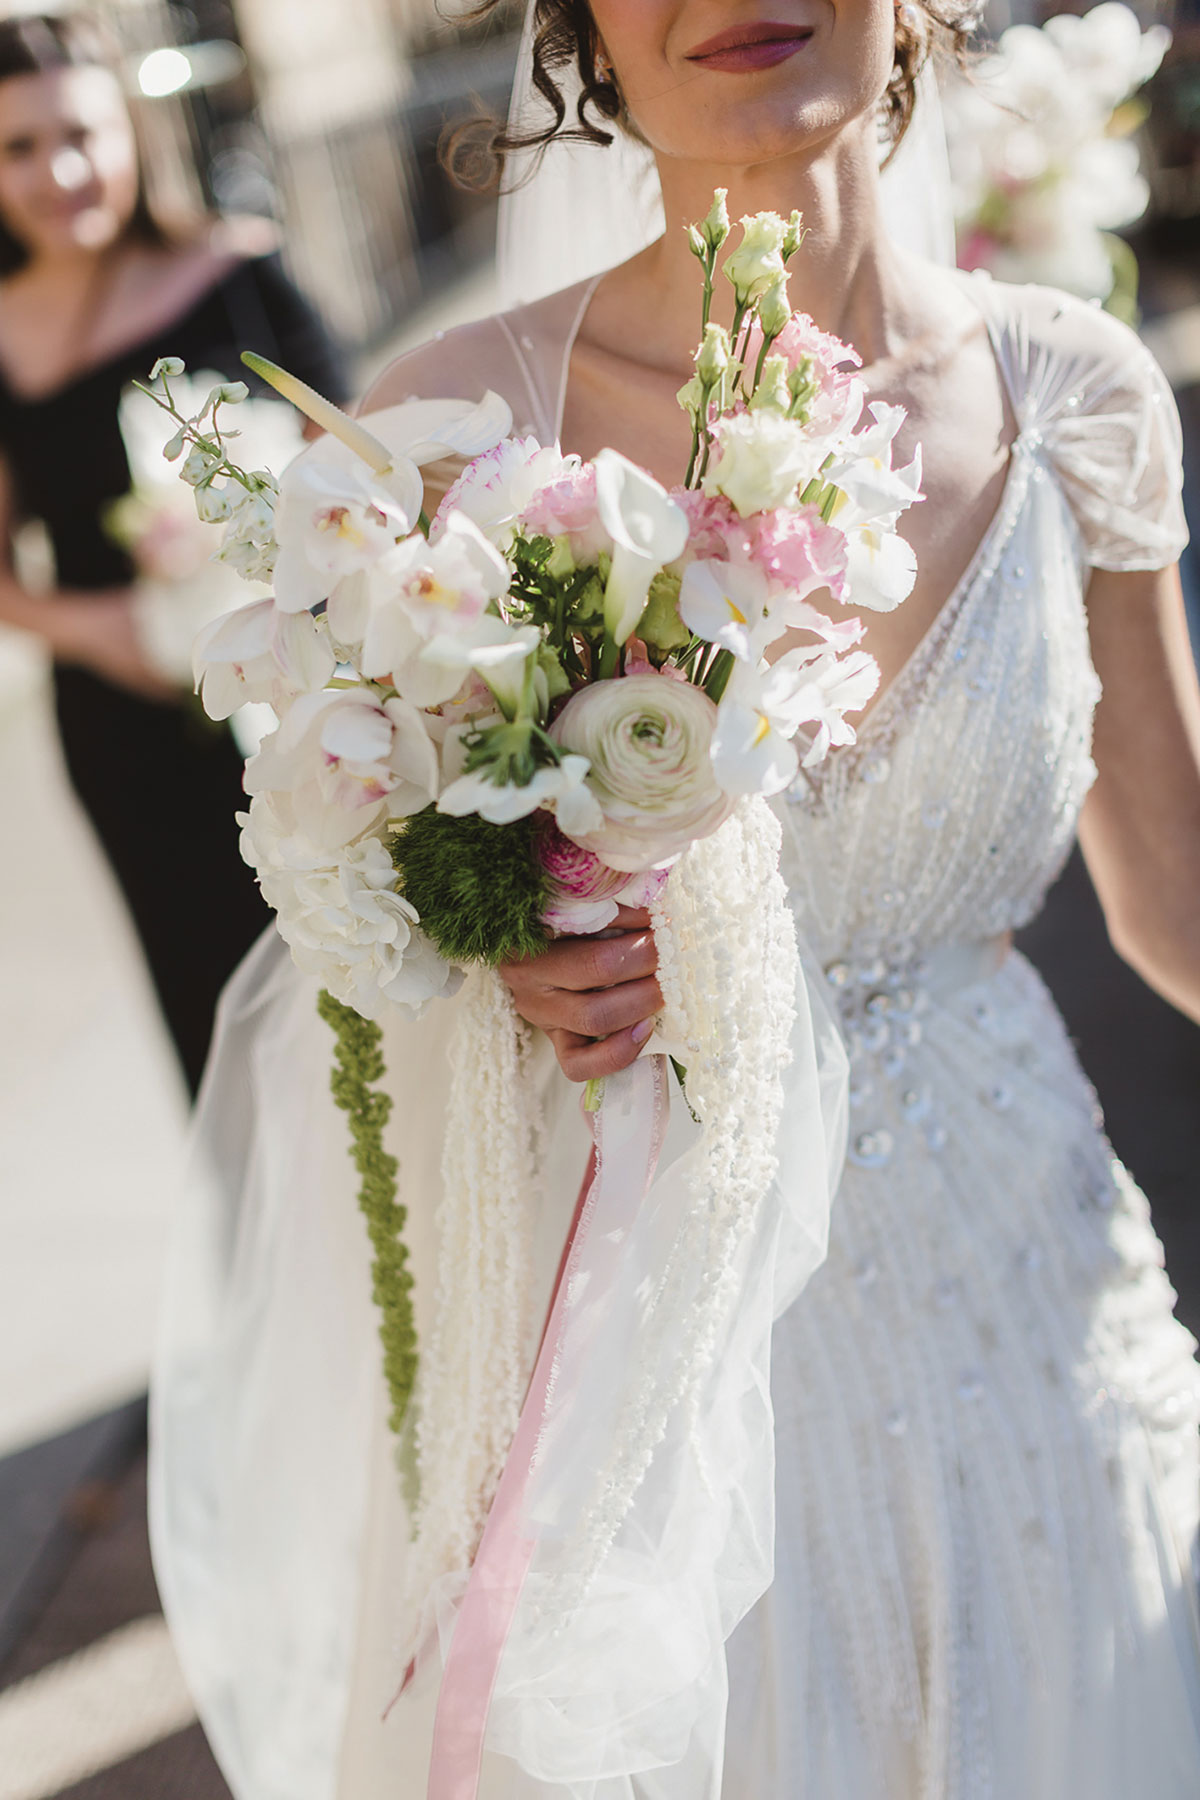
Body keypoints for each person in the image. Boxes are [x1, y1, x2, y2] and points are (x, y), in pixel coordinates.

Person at [150, 0, 1200, 1795]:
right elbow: (365, 939)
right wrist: (492, 965)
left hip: (1028, 1302)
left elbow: (1175, 890)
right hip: (666, 1357)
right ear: (584, 40)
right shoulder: (447, 444)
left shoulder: (1078, 390)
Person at [0, 11, 348, 1092]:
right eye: (17, 147)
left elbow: (371, 472)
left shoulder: (237, 275)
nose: (61, 170)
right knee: (217, 1023)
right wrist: (96, 629)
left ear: (132, 134)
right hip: (126, 725)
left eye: (82, 134)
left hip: (304, 699)